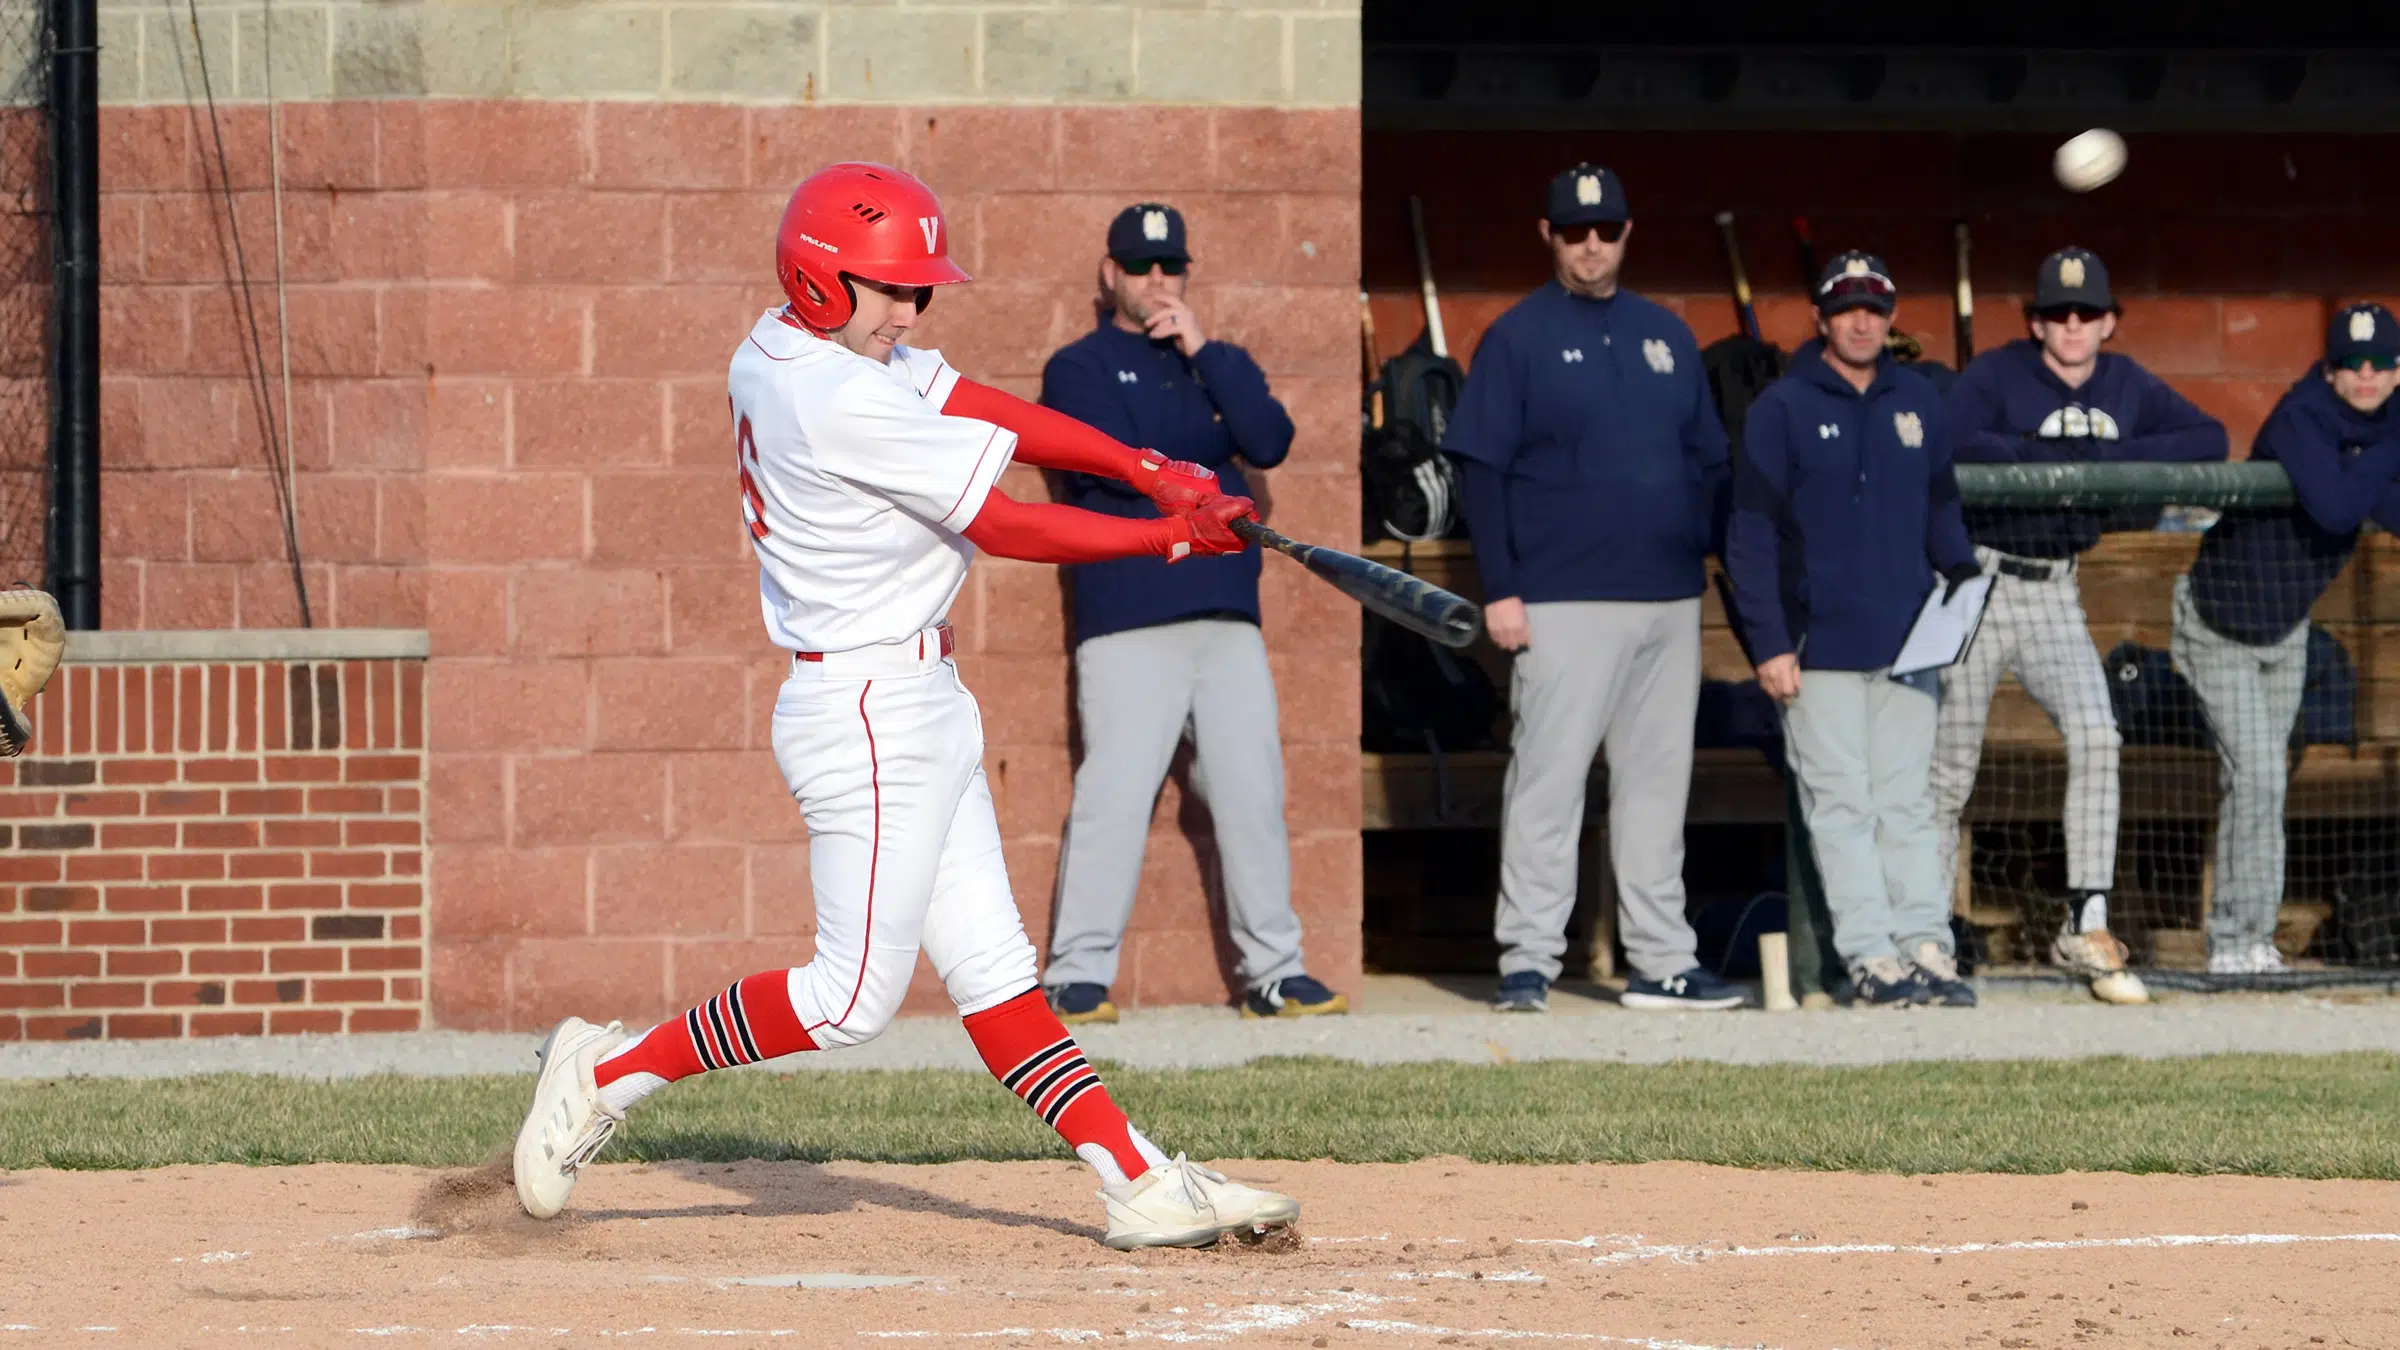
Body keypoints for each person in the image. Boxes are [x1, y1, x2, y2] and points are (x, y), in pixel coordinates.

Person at [510, 162, 1299, 1252]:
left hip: (918, 691)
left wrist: (1147, 466)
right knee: (846, 1003)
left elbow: (975, 401)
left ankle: (1131, 1176)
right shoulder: (827, 393)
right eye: (893, 292)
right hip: (867, 705)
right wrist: (1167, 531)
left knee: (994, 973)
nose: (913, 311)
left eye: (920, 289)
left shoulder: (788, 341)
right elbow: (1010, 526)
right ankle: (602, 1072)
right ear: (824, 282)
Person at [1441, 163, 1745, 1014]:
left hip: (1667, 596)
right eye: (1573, 230)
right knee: (1549, 778)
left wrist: (1706, 555)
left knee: (1656, 786)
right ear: (1548, 235)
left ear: (1626, 232)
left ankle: (1660, 959)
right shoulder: (1517, 336)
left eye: (1604, 229)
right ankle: (1528, 961)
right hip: (1561, 598)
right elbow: (1483, 472)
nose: (1590, 245)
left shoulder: (1666, 334)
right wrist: (1501, 590)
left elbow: (1709, 461)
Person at [1035, 203, 1344, 1025]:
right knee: (1115, 794)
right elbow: (1117, 470)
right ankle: (1076, 975)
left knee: (1252, 792)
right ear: (1111, 276)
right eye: (1141, 268)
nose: (1157, 282)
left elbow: (1267, 439)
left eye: (1170, 267)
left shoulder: (1220, 363)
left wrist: (1204, 354)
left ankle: (1274, 974)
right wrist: (1200, 462)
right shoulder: (1079, 366)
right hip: (1130, 611)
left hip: (1226, 609)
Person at [1934, 247, 2229, 1005]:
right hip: (1980, 578)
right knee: (1948, 769)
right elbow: (1953, 437)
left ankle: (2085, 919)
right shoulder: (1999, 375)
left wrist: (2111, 456)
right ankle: (1928, 927)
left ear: (2108, 323)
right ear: (2036, 322)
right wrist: (2051, 456)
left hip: (2056, 593)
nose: (2072, 325)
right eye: (2058, 314)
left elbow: (2209, 438)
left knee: (2100, 734)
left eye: (2086, 314)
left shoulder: (2126, 385)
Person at [1726, 253, 1984, 1007]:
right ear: (1821, 318)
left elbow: (1942, 512)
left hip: (1909, 643)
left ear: (1891, 315)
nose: (1862, 321)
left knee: (1907, 803)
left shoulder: (1920, 402)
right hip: (1817, 646)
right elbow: (1749, 535)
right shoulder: (1782, 407)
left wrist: (1962, 584)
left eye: (1874, 307)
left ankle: (1927, 947)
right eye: (1846, 309)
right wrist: (1769, 642)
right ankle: (1871, 956)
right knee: (1842, 805)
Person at [2177, 303, 2400, 974]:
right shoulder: (2303, 413)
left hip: (2285, 627)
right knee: (2258, 775)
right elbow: (2335, 506)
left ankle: (2254, 939)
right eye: (2350, 364)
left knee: (2265, 782)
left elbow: (2386, 507)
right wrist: (2390, 451)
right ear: (2329, 369)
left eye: (2380, 364)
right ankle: (2231, 941)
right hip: (2218, 623)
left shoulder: (2385, 424)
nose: (2366, 376)